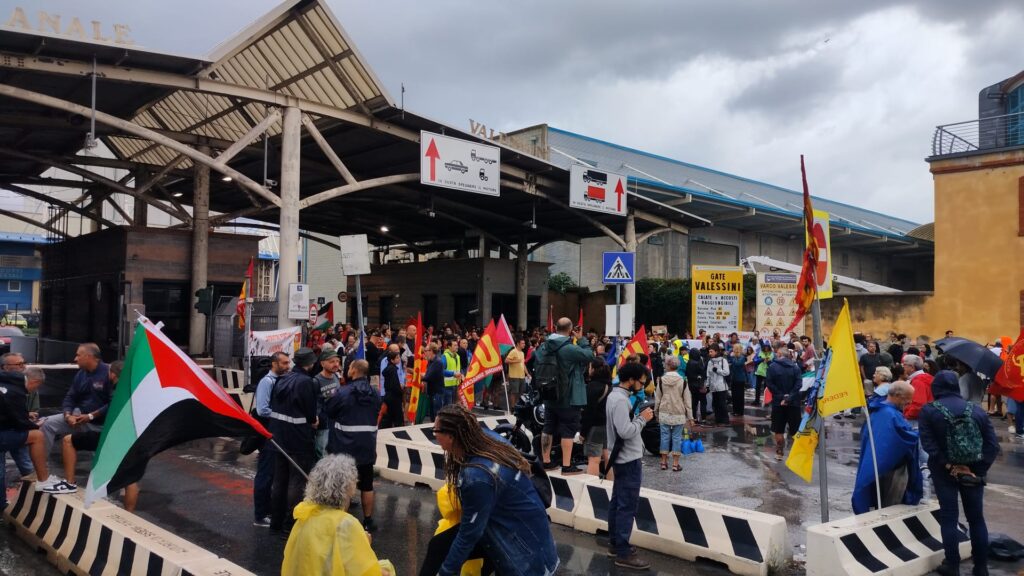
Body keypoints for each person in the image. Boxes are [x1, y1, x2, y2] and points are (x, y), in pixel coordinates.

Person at [432, 404, 559, 575]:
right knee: (439, 546)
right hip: (531, 538)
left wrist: (445, 572)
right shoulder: (487, 439)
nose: (434, 435)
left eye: (436, 431)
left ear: (451, 436)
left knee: (444, 548)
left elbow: (469, 534)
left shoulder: (477, 477)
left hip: (524, 558)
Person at [919, 371, 1000, 576]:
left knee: (949, 517)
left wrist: (949, 466)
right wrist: (975, 471)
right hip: (973, 471)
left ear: (936, 388)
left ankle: (952, 565)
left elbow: (929, 445)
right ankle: (981, 567)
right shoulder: (977, 410)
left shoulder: (929, 410)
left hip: (943, 471)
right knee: (976, 519)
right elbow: (992, 446)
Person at [281, 454, 394, 576]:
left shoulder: (305, 514)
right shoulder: (346, 524)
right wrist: (364, 545)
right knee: (387, 570)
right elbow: (363, 570)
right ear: (348, 488)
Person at [52, 361, 140, 509]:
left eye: (109, 372)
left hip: (112, 437)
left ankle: (70, 483)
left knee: (68, 441)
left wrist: (90, 416)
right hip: (131, 438)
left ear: (113, 374)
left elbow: (110, 409)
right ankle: (129, 514)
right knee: (130, 478)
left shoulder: (117, 391)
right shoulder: (135, 389)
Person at [606, 362, 655, 569]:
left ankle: (616, 544)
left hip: (622, 459)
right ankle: (623, 553)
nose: (642, 386)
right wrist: (642, 419)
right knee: (627, 506)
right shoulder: (620, 400)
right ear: (631, 380)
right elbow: (625, 431)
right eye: (641, 383)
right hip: (628, 460)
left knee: (618, 502)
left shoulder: (616, 396)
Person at [325, 359, 381, 532]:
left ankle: (341, 522)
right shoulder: (375, 393)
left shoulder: (343, 392)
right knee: (367, 485)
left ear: (355, 370)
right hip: (367, 446)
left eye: (349, 367)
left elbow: (330, 411)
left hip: (344, 447)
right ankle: (368, 520)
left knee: (343, 485)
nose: (347, 369)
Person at [268, 347, 319, 535]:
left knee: (280, 480)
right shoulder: (307, 382)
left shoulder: (282, 378)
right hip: (298, 438)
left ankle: (276, 521)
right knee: (296, 482)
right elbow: (310, 413)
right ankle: (290, 525)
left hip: (278, 437)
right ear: (310, 363)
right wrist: (314, 421)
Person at [851, 381, 923, 514]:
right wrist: (918, 432)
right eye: (907, 398)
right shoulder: (890, 414)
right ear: (898, 396)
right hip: (892, 470)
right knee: (891, 505)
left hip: (879, 468)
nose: (909, 402)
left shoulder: (878, 412)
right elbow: (901, 439)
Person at [534, 317, 594, 475]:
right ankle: (567, 466)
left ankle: (546, 462)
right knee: (568, 429)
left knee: (548, 427)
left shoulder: (544, 346)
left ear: (555, 328)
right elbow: (590, 355)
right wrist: (581, 339)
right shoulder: (569, 349)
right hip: (568, 396)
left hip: (549, 393)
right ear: (570, 330)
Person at [0, 365, 59, 499]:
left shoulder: (6, 382)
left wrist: (25, 415)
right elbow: (20, 423)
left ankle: (2, 504)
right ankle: (43, 480)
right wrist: (35, 425)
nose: (34, 390)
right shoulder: (17, 391)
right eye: (37, 387)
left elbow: (8, 411)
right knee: (37, 436)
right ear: (35, 382)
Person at [40, 343, 110, 454]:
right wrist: (68, 415)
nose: (75, 359)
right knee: (46, 424)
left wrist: (91, 416)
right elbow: (70, 396)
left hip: (101, 424)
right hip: (79, 418)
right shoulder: (81, 374)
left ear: (89, 356)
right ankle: (41, 465)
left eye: (78, 355)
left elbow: (114, 403)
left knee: (97, 454)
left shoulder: (109, 373)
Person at [252, 351, 290, 527]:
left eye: (288, 363)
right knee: (265, 475)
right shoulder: (267, 382)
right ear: (274, 364)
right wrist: (283, 415)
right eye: (284, 363)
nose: (288, 366)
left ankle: (271, 510)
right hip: (268, 434)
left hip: (278, 433)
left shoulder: (282, 380)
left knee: (275, 475)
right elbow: (262, 409)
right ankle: (260, 515)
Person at [655, 356, 692, 472]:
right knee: (677, 438)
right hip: (678, 412)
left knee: (664, 437)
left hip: (664, 411)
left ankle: (663, 462)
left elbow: (657, 398)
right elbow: (687, 400)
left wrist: (656, 412)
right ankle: (675, 464)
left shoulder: (661, 380)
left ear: (667, 366)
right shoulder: (683, 381)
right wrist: (690, 417)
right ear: (678, 366)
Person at [766, 347, 803, 461]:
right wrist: (789, 397)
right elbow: (799, 384)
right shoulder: (795, 367)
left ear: (779, 354)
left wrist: (781, 397)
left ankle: (779, 451)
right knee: (795, 430)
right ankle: (796, 454)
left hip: (778, 403)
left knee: (778, 429)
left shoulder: (772, 367)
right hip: (794, 403)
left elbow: (769, 384)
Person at [582, 358, 612, 477]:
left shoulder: (592, 387)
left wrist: (583, 432)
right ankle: (611, 484)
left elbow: (588, 412)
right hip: (608, 426)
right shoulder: (610, 385)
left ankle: (592, 486)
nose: (588, 369)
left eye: (590, 367)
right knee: (608, 457)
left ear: (593, 369)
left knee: (594, 459)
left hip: (595, 427)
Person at [313, 349, 342, 459]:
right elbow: (314, 402)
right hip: (323, 424)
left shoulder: (335, 376)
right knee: (322, 451)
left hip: (336, 422)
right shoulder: (316, 381)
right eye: (332, 362)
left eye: (337, 361)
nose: (336, 364)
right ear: (322, 363)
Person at [706, 345, 730, 425]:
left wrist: (717, 370)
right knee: (715, 404)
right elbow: (708, 375)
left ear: (716, 352)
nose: (710, 353)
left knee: (722, 404)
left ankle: (725, 420)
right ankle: (718, 419)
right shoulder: (710, 362)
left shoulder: (723, 360)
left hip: (721, 386)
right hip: (713, 387)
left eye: (711, 351)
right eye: (709, 352)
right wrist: (707, 385)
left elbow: (727, 372)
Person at [685, 346, 708, 423]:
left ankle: (694, 417)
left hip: (691, 385)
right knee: (703, 402)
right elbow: (703, 373)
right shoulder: (697, 363)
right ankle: (703, 418)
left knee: (694, 402)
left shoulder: (689, 363)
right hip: (699, 385)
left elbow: (687, 373)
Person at [504, 338, 528, 411]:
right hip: (514, 376)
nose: (524, 345)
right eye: (522, 343)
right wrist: (516, 361)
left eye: (524, 343)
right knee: (514, 392)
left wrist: (527, 373)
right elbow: (506, 360)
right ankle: (512, 407)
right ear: (518, 344)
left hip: (522, 376)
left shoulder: (522, 353)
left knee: (520, 392)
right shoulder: (513, 351)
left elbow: (523, 364)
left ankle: (517, 405)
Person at [424, 343, 445, 420]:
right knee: (432, 414)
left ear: (431, 351)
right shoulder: (430, 361)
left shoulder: (437, 362)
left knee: (436, 414)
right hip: (432, 391)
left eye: (426, 350)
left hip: (436, 392)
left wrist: (418, 377)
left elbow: (428, 377)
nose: (425, 353)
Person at [728, 343, 747, 419]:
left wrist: (732, 357)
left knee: (739, 396)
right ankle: (735, 410)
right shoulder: (734, 357)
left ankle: (740, 411)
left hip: (740, 379)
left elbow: (737, 364)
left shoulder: (742, 357)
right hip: (734, 378)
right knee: (734, 395)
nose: (733, 349)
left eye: (734, 348)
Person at [442, 339, 463, 407]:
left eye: (457, 345)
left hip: (455, 385)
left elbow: (458, 369)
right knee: (448, 407)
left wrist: (461, 374)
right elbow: (441, 370)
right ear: (449, 347)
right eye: (455, 345)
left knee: (453, 407)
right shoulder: (445, 356)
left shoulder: (457, 356)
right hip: (447, 386)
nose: (457, 347)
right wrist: (453, 374)